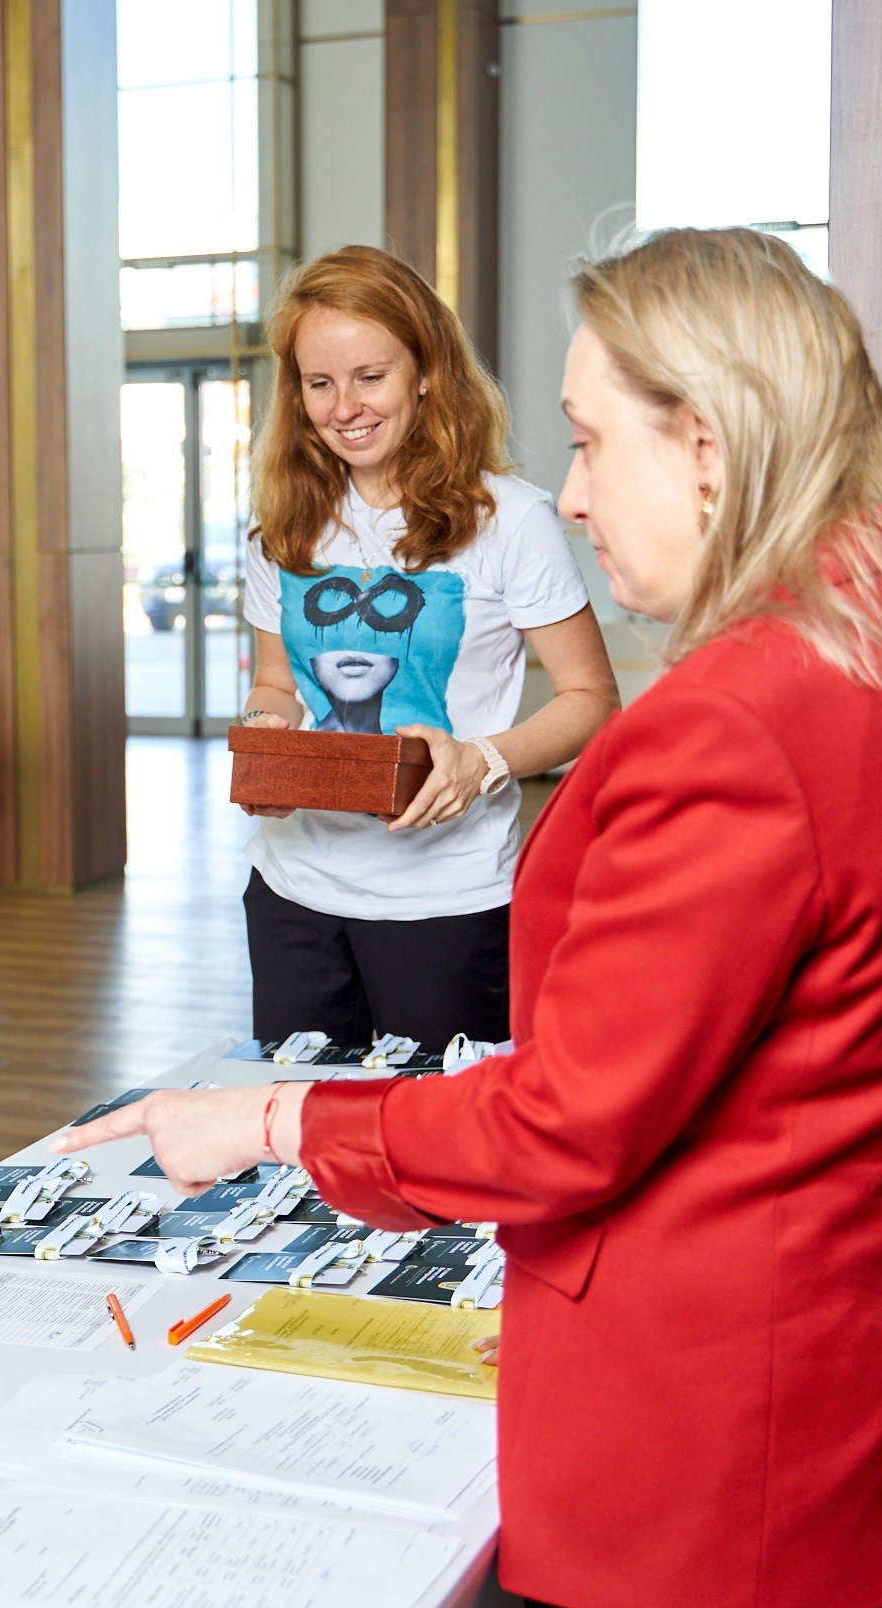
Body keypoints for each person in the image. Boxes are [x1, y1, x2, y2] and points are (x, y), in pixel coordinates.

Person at [61, 228, 882, 1608]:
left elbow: (568, 1120)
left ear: (707, 443)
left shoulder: (739, 721)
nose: (577, 492)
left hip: (692, 1454)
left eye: (595, 441)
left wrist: (273, 1115)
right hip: (852, 1403)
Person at [238, 245, 618, 1053]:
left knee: (447, 1152)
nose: (345, 406)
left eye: (369, 376)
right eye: (319, 383)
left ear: (424, 372)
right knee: (298, 1148)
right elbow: (276, 683)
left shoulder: (511, 519)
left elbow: (590, 699)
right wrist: (266, 738)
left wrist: (481, 760)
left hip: (446, 902)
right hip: (292, 890)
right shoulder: (282, 523)